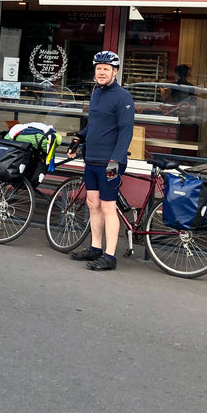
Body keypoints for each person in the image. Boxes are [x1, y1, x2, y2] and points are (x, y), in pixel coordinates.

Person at [67, 50, 135, 271]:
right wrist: (80, 137)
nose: (102, 72)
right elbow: (95, 123)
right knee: (92, 203)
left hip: (111, 162)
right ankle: (95, 248)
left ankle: (110, 255)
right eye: (99, 69)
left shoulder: (123, 97)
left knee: (108, 206)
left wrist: (115, 160)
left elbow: (126, 132)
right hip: (92, 160)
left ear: (115, 72)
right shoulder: (96, 93)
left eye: (106, 69)